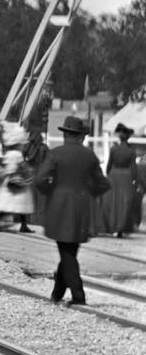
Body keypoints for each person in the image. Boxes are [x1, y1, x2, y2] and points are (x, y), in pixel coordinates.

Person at [34, 116, 111, 306]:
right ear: (80, 136)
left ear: (65, 134)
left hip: (60, 206)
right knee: (70, 250)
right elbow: (103, 183)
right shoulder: (89, 155)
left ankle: (78, 295)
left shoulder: (56, 153)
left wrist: (49, 191)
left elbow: (40, 180)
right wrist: (90, 192)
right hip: (82, 206)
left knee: (66, 251)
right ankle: (57, 293)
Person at [0, 122, 35, 233]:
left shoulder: (8, 153)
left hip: (10, 179)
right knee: (19, 204)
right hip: (16, 180)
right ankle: (23, 224)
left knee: (8, 203)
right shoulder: (17, 154)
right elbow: (20, 165)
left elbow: (6, 165)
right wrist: (27, 170)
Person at [101, 123, 138, 238]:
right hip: (126, 176)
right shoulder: (131, 151)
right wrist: (134, 179)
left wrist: (109, 175)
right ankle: (121, 228)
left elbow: (108, 166)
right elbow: (134, 169)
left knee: (111, 202)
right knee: (124, 202)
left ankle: (111, 226)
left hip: (114, 175)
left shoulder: (114, 149)